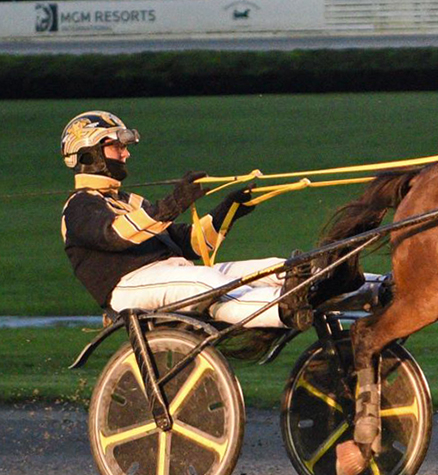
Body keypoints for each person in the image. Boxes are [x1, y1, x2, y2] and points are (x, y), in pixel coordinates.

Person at [59, 110, 314, 330]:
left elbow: (191, 243)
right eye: (118, 146)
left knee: (276, 267)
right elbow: (116, 234)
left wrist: (228, 210)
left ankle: (319, 282)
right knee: (210, 283)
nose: (126, 155)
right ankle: (282, 309)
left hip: (173, 272)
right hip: (127, 288)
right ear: (88, 155)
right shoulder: (79, 206)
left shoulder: (131, 202)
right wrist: (172, 204)